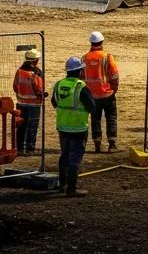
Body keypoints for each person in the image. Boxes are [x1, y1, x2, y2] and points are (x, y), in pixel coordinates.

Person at [51, 55, 96, 197]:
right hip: (78, 129)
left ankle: (61, 184)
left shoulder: (58, 85)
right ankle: (72, 189)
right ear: (79, 71)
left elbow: (54, 102)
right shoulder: (81, 87)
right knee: (74, 159)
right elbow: (92, 107)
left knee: (64, 156)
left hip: (63, 128)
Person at [83, 30, 120, 152]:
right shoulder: (107, 57)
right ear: (102, 42)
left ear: (91, 43)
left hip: (92, 95)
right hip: (107, 93)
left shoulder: (84, 58)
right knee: (111, 118)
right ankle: (112, 144)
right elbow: (114, 75)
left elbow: (81, 77)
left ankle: (97, 144)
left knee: (95, 119)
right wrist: (114, 89)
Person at [13, 47, 45, 155]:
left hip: (21, 103)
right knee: (32, 127)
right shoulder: (36, 73)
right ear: (36, 60)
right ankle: (30, 149)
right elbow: (39, 89)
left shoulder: (19, 71)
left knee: (21, 126)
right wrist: (42, 95)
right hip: (34, 104)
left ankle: (20, 149)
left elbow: (15, 86)